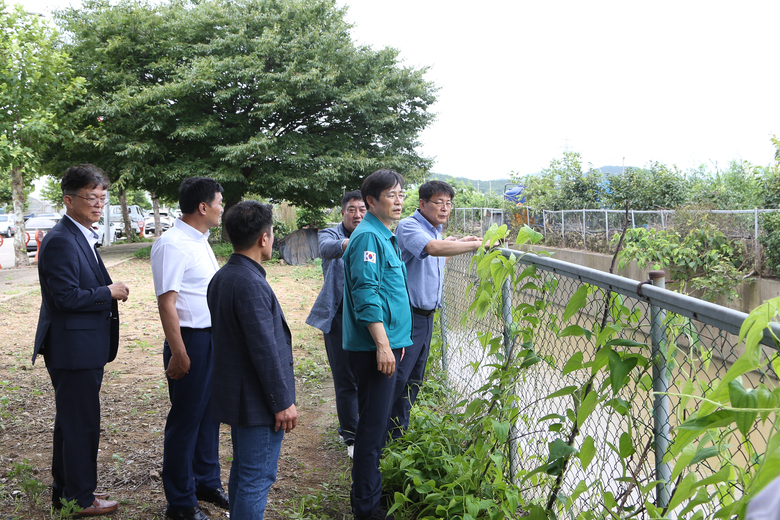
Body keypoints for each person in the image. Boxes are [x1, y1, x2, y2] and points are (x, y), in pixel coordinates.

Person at [32, 164, 129, 516]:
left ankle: (68, 494)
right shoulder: (61, 239)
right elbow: (65, 297)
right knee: (80, 425)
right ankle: (80, 499)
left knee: (72, 423)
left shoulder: (79, 234)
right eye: (92, 197)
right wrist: (109, 291)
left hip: (82, 346)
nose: (99, 204)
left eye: (102, 197)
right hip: (72, 349)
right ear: (69, 200)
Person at [207, 200, 298, 519]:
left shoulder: (224, 276)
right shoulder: (249, 284)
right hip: (258, 401)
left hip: (241, 395)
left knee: (244, 473)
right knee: (256, 478)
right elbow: (264, 349)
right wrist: (282, 401)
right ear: (264, 238)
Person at [150, 177, 227, 520]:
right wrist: (180, 352)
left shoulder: (200, 240)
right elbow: (167, 304)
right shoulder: (172, 244)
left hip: (211, 338)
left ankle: (206, 482)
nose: (222, 208)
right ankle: (180, 502)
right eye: (219, 202)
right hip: (190, 341)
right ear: (202, 206)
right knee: (185, 421)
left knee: (210, 417)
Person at [343, 169, 413, 520]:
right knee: (371, 433)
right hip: (375, 349)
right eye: (391, 195)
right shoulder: (368, 238)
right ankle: (367, 510)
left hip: (386, 345)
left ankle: (368, 498)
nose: (399, 200)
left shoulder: (384, 235)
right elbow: (365, 293)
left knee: (376, 426)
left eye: (401, 194)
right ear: (371, 201)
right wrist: (383, 346)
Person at [391, 180, 481, 437]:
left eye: (449, 203)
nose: (445, 208)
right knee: (399, 378)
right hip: (409, 316)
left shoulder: (435, 230)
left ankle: (397, 432)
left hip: (426, 317)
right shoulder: (409, 226)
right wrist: (475, 245)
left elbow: (437, 257)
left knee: (414, 378)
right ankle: (380, 432)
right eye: (438, 202)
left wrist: (460, 242)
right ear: (422, 204)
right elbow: (431, 250)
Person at [305, 190, 366, 457]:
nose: (357, 214)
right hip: (339, 316)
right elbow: (327, 250)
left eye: (362, 209)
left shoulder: (375, 233)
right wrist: (355, 243)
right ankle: (351, 436)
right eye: (352, 209)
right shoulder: (330, 234)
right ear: (343, 212)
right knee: (345, 378)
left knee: (367, 375)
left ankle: (368, 427)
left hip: (368, 318)